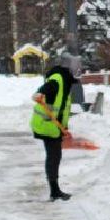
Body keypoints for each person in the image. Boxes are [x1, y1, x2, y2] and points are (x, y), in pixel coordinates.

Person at [31, 64, 78, 201]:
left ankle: (55, 189)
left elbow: (62, 109)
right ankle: (54, 191)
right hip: (46, 125)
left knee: (54, 156)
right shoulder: (57, 80)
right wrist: (39, 94)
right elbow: (43, 91)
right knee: (54, 156)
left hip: (51, 126)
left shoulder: (62, 82)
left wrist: (65, 128)